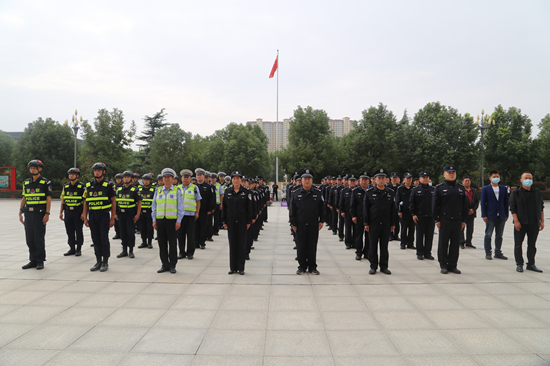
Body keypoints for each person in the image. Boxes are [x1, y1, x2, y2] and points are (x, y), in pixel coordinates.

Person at [432, 165, 469, 274]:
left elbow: (465, 206)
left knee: (455, 244)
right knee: (443, 244)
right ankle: (443, 265)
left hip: (457, 220)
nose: (451, 174)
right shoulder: (439, 188)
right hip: (444, 220)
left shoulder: (460, 188)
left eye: (453, 172)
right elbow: (435, 206)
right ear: (444, 174)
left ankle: (453, 265)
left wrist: (464, 220)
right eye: (449, 172)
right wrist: (436, 220)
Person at [82, 162, 117, 272]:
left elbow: (113, 201)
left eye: (99, 170)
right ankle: (98, 261)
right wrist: (85, 216)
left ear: (103, 172)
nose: (96, 172)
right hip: (92, 215)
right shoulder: (88, 186)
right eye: (95, 170)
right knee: (95, 238)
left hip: (103, 215)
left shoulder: (108, 185)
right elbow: (86, 202)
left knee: (104, 238)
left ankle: (105, 261)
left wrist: (112, 218)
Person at [290, 169, 325, 275]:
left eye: (309, 179)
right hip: (300, 224)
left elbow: (322, 209)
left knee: (312, 245)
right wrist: (293, 223)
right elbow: (292, 210)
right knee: (301, 246)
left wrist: (321, 221)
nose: (307, 181)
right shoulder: (296, 193)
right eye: (305, 179)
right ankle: (301, 266)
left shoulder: (318, 193)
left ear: (312, 180)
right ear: (302, 180)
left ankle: (312, 266)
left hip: (313, 224)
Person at [19, 159, 52, 270]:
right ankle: (32, 260)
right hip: (28, 214)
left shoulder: (45, 183)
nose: (32, 170)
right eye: (31, 168)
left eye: (34, 168)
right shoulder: (26, 183)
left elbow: (48, 199)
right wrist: (20, 211)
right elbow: (24, 198)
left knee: (38, 238)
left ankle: (40, 260)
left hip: (40, 214)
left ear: (40, 169)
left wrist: (47, 213)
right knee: (29, 238)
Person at [509, 172, 545, 273]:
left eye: (530, 178)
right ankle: (519, 264)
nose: (528, 180)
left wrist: (542, 221)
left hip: (534, 222)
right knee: (518, 244)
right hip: (521, 222)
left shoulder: (536, 192)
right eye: (526, 178)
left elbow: (541, 206)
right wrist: (516, 221)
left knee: (532, 244)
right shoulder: (516, 192)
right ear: (521, 180)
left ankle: (531, 264)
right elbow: (513, 208)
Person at [364, 169, 397, 275]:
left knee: (384, 246)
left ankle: (384, 266)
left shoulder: (390, 193)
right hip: (373, 223)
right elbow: (366, 209)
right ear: (375, 180)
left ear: (386, 180)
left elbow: (393, 209)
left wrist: (393, 223)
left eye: (383, 178)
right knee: (373, 246)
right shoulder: (369, 193)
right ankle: (373, 266)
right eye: (379, 178)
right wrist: (366, 223)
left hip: (386, 223)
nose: (381, 180)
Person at [152, 168, 184, 274]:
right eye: (164, 177)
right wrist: (154, 220)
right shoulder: (158, 190)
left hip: (172, 221)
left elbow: (180, 208)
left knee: (173, 243)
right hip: (160, 220)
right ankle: (164, 264)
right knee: (162, 243)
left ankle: (172, 265)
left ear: (173, 179)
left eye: (168, 177)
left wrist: (178, 221)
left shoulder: (177, 191)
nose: (166, 179)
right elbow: (154, 207)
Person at [222, 171, 253, 275]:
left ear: (241, 180)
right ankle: (232, 267)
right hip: (230, 222)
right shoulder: (227, 191)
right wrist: (224, 221)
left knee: (241, 244)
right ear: (231, 180)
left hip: (242, 222)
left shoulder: (246, 192)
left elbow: (249, 208)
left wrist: (248, 221)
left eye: (238, 178)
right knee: (232, 244)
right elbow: (224, 208)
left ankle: (241, 268)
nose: (236, 180)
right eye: (234, 178)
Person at [480, 170, 509, 260]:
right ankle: (488, 252)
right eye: (494, 177)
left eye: (497, 177)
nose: (496, 178)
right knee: (488, 235)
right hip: (490, 215)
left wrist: (506, 214)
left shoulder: (503, 189)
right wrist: (484, 215)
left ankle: (498, 252)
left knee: (499, 235)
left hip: (501, 215)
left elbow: (506, 202)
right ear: (490, 178)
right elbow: (483, 203)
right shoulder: (485, 189)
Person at [59, 167, 85, 257]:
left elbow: (85, 201)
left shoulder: (82, 187)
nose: (71, 175)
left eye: (73, 174)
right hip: (68, 212)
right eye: (70, 174)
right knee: (69, 230)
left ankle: (78, 249)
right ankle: (72, 248)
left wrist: (84, 213)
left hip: (78, 211)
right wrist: (60, 212)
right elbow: (63, 200)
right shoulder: (66, 187)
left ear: (77, 175)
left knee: (78, 230)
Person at [115, 171, 141, 259]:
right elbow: (115, 202)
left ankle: (131, 251)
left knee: (130, 232)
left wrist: (137, 214)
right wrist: (114, 213)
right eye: (124, 177)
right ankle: (124, 250)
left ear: (131, 178)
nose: (126, 178)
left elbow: (139, 202)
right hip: (121, 214)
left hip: (130, 214)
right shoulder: (119, 189)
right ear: (122, 178)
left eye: (128, 177)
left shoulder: (134, 190)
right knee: (122, 232)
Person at [409, 171, 435, 260]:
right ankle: (419, 252)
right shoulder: (415, 190)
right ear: (420, 179)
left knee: (429, 235)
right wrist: (413, 214)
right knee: (420, 235)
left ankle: (427, 252)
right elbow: (412, 203)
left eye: (427, 177)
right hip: (419, 216)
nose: (425, 179)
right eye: (423, 177)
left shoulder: (433, 190)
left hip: (431, 216)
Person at [177, 169, 201, 260]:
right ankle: (181, 252)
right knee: (180, 235)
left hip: (190, 215)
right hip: (180, 215)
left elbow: (198, 200)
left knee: (190, 235)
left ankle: (190, 252)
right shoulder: (177, 188)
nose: (185, 179)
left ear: (190, 178)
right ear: (181, 178)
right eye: (184, 177)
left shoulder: (194, 188)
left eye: (187, 177)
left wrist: (197, 212)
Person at [350, 172, 370, 260]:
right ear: (359, 181)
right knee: (358, 235)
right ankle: (358, 252)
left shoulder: (372, 190)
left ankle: (367, 252)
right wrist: (353, 215)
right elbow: (352, 205)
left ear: (369, 181)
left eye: (366, 180)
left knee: (369, 236)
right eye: (362, 180)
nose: (364, 181)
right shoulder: (356, 191)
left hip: (370, 217)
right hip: (359, 216)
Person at [195, 168, 215, 249]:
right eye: (197, 175)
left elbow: (212, 198)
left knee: (203, 227)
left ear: (203, 176)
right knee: (195, 227)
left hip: (204, 210)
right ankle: (195, 242)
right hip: (195, 210)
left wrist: (210, 209)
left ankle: (202, 242)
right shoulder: (193, 186)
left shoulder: (208, 187)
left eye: (200, 175)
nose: (199, 177)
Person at [396, 172, 415, 250]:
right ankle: (403, 243)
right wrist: (399, 211)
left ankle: (410, 243)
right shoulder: (400, 189)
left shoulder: (414, 188)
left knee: (412, 228)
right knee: (404, 228)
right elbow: (397, 201)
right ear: (404, 179)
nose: (409, 180)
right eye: (407, 178)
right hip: (404, 211)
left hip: (412, 211)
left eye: (410, 178)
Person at [460, 176, 479, 250]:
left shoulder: (473, 191)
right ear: (462, 182)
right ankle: (461, 242)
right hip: (463, 213)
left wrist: (473, 209)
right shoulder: (460, 190)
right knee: (461, 228)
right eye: (466, 181)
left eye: (468, 180)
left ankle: (469, 242)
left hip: (472, 213)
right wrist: (466, 210)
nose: (467, 182)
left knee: (470, 228)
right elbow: (459, 202)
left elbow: (477, 202)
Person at [138, 174, 155, 249]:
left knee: (149, 227)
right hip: (141, 212)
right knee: (142, 227)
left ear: (150, 181)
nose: (145, 181)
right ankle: (143, 242)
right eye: (144, 180)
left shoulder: (153, 190)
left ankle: (150, 242)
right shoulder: (139, 190)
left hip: (149, 212)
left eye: (147, 180)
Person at [339, 175, 356, 249]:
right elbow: (341, 202)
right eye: (351, 181)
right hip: (347, 212)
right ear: (348, 182)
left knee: (356, 229)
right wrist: (342, 211)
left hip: (356, 213)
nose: (352, 183)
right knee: (348, 228)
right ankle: (348, 243)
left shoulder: (358, 191)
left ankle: (355, 243)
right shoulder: (344, 191)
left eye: (353, 181)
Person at [387, 172, 401, 241]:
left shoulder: (400, 187)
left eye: (396, 178)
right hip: (390, 206)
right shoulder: (387, 187)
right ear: (390, 178)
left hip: (398, 206)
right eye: (393, 177)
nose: (394, 179)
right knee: (390, 221)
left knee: (397, 222)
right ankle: (390, 234)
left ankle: (396, 235)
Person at [112, 173, 123, 240]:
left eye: (119, 179)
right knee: (116, 221)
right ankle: (117, 233)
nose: (118, 180)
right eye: (117, 179)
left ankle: (122, 233)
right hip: (115, 206)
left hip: (122, 205)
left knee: (121, 222)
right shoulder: (114, 187)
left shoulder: (124, 186)